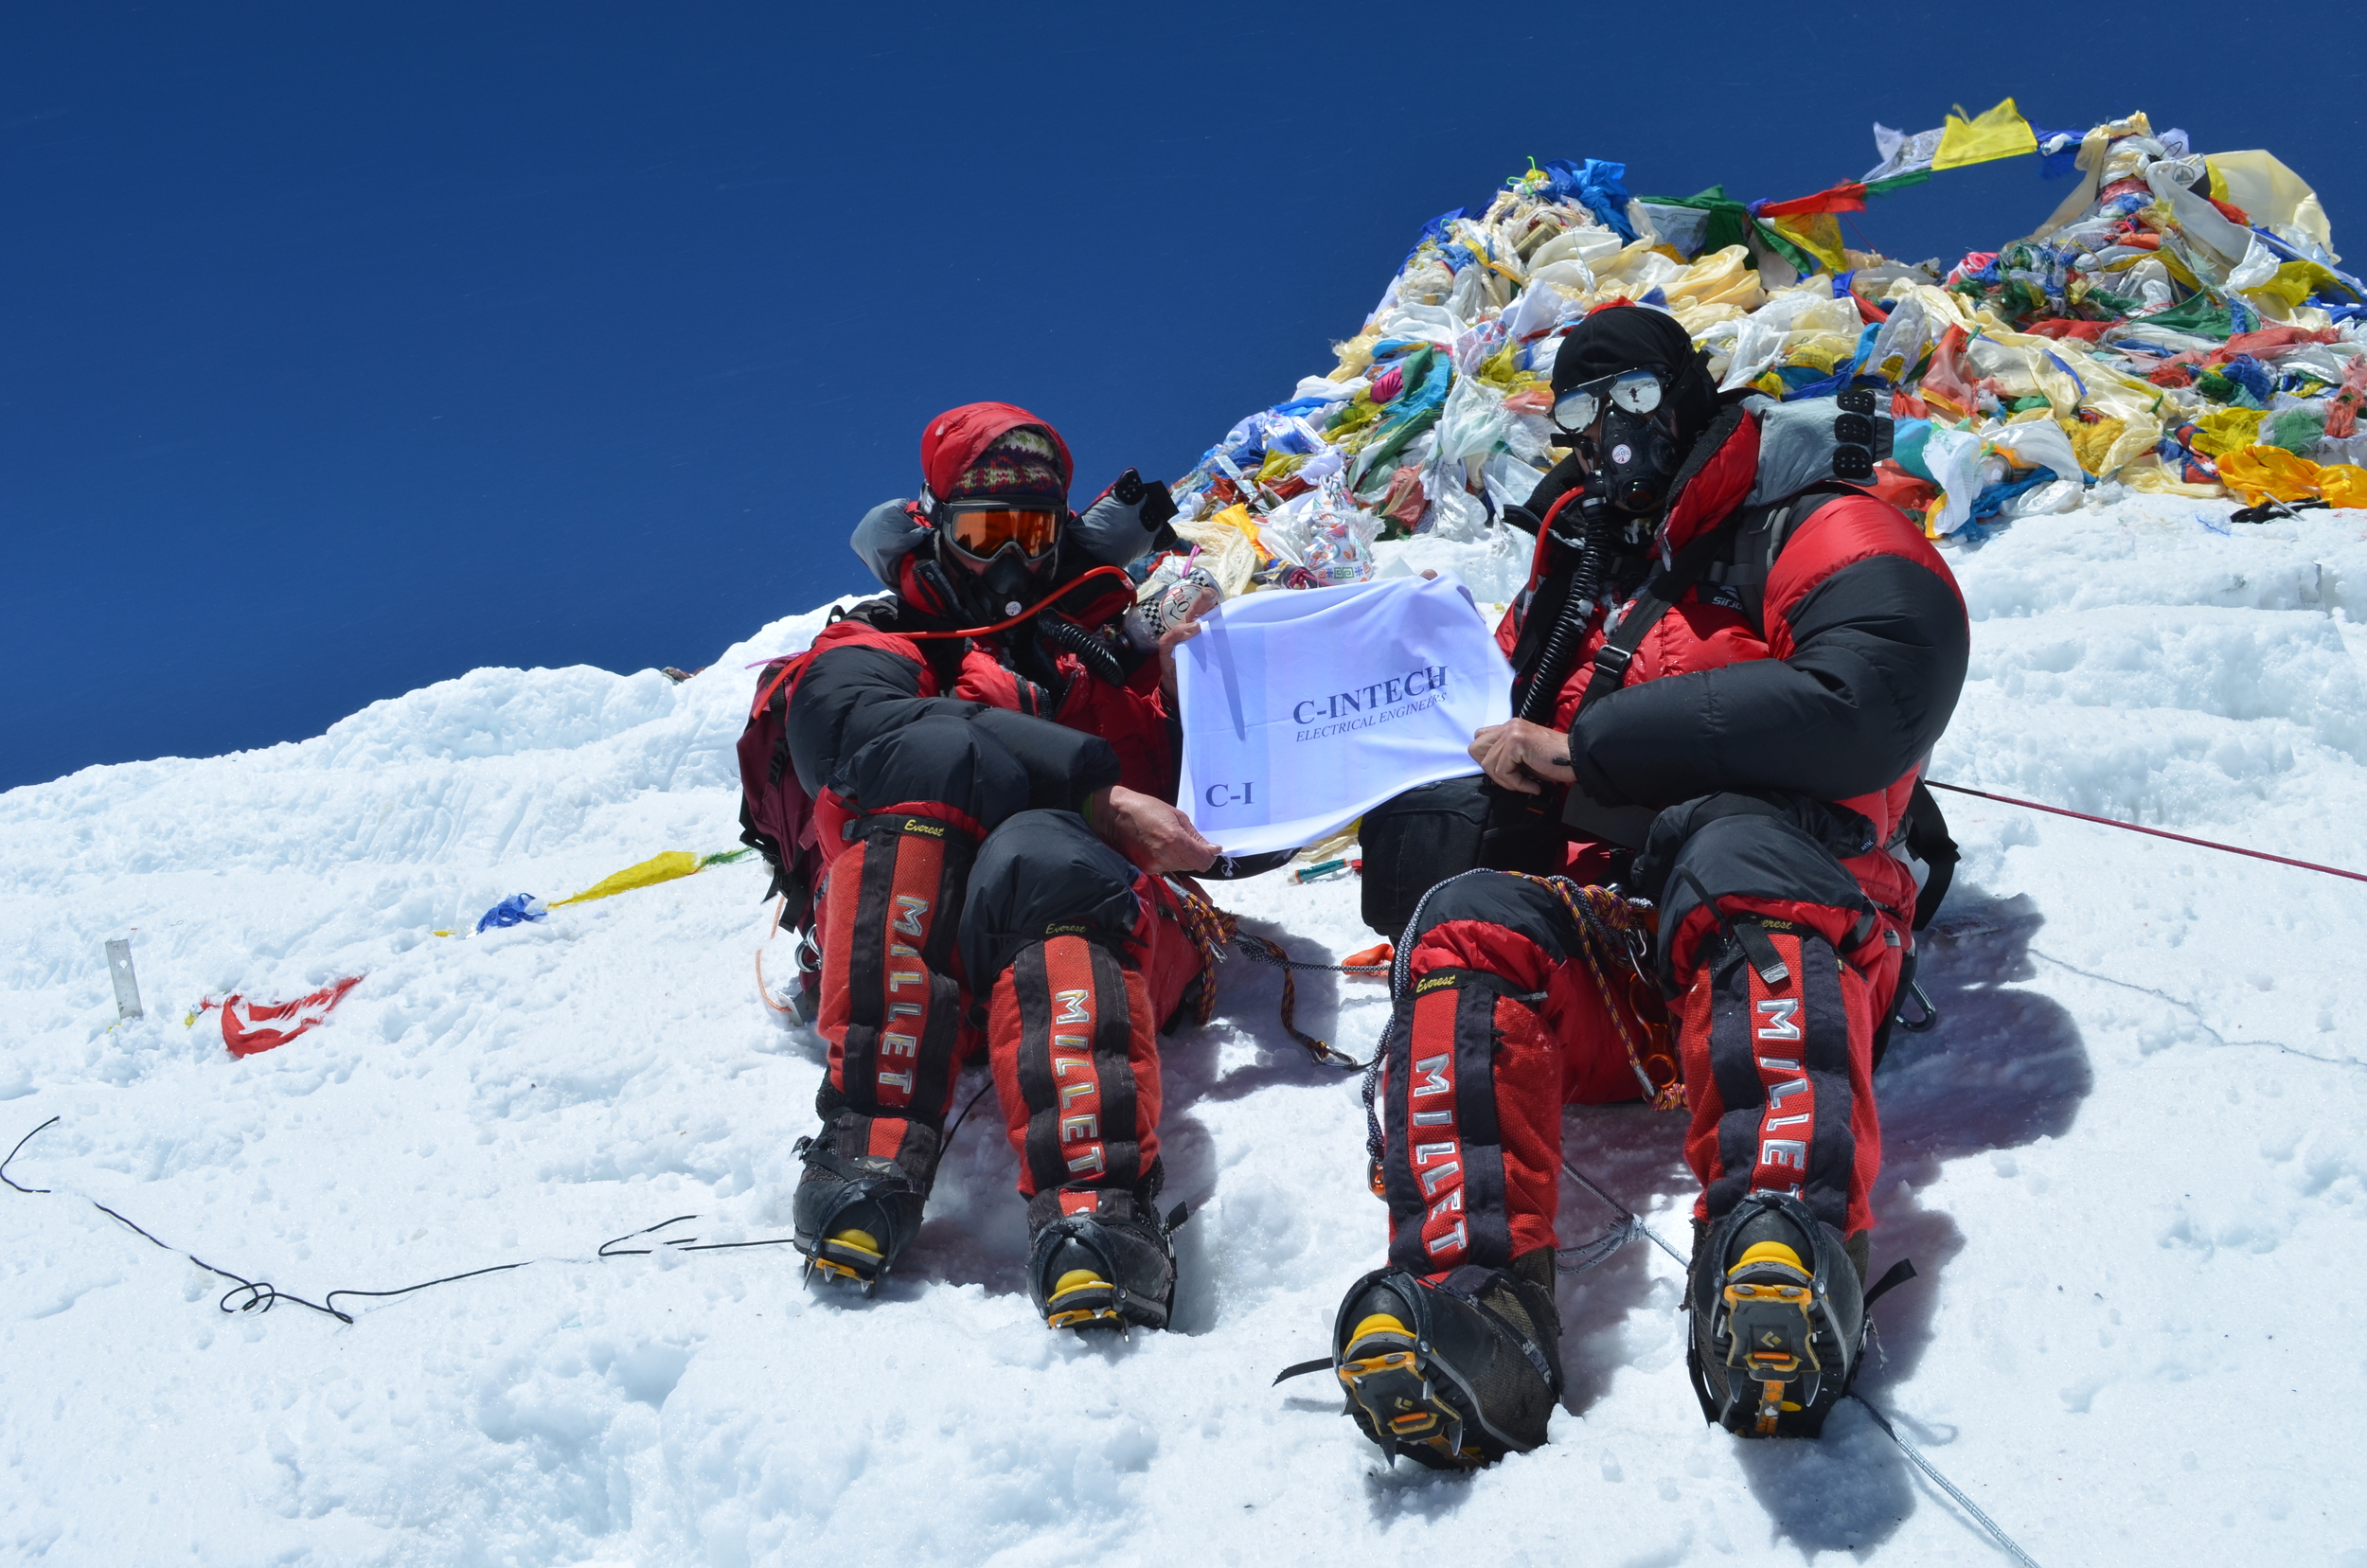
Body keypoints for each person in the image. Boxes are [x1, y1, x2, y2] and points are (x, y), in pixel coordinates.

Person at [1325, 305, 1969, 1464]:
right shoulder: (1584, 580)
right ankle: (1474, 1313)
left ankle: (1782, 1251)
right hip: (1637, 971)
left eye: (1630, 398)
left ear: (1689, 392)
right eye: (1579, 410)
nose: (1609, 431)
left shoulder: (1813, 519)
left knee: (1729, 846)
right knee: (1467, 920)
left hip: (1804, 920)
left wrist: (1588, 751)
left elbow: (1869, 696)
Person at [771, 401, 1221, 1334]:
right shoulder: (875, 644)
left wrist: (1206, 692)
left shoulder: (1117, 646)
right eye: (983, 533)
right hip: (905, 936)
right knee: (936, 754)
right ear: (934, 526)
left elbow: (1243, 822)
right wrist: (1094, 787)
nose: (1010, 561)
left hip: (1108, 942)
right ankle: (872, 1144)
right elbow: (851, 733)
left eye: (1033, 533)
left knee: (1042, 850)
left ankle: (1097, 1211)